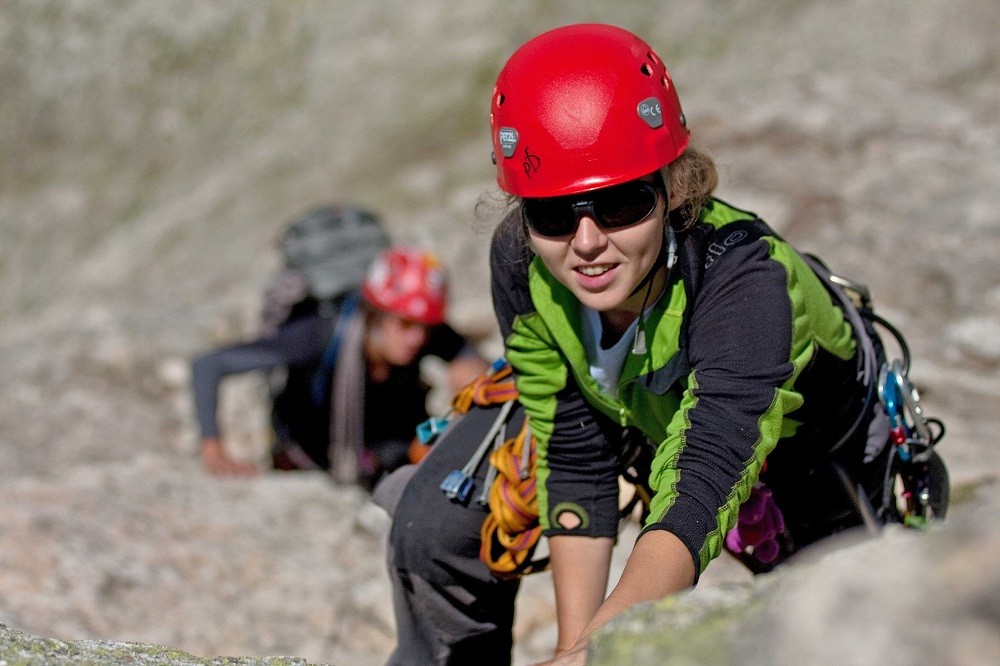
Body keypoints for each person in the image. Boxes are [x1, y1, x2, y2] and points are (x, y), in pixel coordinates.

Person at [383, 24, 911, 665]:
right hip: (634, 412)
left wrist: (600, 651)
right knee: (435, 525)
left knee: (849, 634)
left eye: (621, 205)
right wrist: (575, 649)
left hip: (802, 453)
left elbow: (704, 478)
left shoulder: (746, 282)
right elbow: (570, 441)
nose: (585, 243)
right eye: (552, 213)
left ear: (671, 190)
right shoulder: (521, 259)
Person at [192, 245, 489, 488]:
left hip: (383, 453)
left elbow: (480, 369)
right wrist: (213, 450)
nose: (416, 338)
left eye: (425, 327)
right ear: (376, 314)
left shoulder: (424, 333)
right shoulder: (318, 334)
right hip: (307, 458)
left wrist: (470, 383)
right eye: (405, 324)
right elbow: (209, 365)